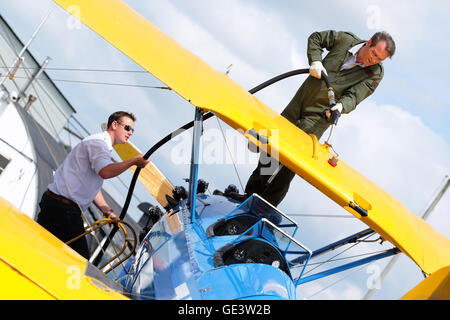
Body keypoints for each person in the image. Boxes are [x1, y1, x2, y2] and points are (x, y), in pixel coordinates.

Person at [245, 30, 396, 207]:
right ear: (368, 43)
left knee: (289, 163)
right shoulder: (345, 40)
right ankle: (248, 196)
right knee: (271, 147)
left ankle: (263, 209)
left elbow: (355, 96)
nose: (374, 60)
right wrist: (315, 60)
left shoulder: (375, 73)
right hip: (300, 101)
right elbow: (316, 38)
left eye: (379, 59)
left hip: (318, 117)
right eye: (374, 54)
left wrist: (341, 106)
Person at [37, 111, 150, 258]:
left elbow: (92, 186)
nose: (130, 133)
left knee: (43, 249)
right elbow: (105, 172)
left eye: (132, 130)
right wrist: (133, 161)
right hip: (63, 209)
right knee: (78, 261)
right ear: (115, 125)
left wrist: (107, 211)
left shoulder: (100, 144)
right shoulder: (99, 144)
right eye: (127, 128)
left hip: (58, 205)